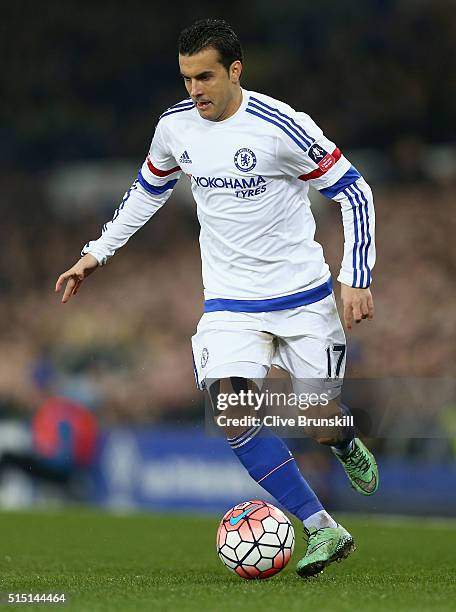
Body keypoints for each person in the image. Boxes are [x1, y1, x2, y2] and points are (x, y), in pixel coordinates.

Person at [56, 19, 378, 577]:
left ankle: (342, 440)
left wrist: (356, 275)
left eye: (205, 76)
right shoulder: (175, 128)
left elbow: (355, 191)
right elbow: (147, 190)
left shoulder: (282, 126)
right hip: (230, 302)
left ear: (235, 70)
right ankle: (321, 528)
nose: (194, 90)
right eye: (185, 79)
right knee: (233, 409)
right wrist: (96, 252)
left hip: (303, 299)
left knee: (319, 421)